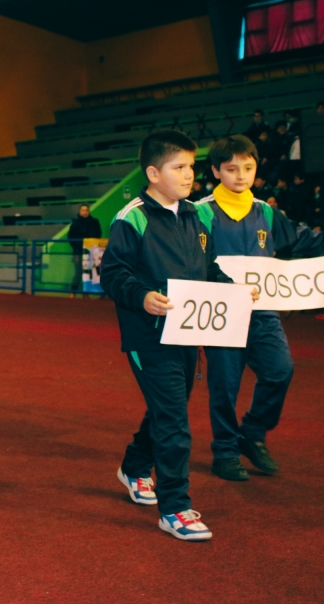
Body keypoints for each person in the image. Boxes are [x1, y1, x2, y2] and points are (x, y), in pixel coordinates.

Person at [100, 130, 240, 542]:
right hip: (148, 336)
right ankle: (175, 507)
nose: (189, 175)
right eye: (179, 167)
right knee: (175, 418)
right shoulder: (132, 218)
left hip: (187, 333)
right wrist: (142, 296)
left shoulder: (197, 215)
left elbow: (209, 268)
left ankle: (134, 467)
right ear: (153, 173)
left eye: (191, 167)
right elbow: (112, 273)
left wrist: (231, 289)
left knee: (168, 410)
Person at [196, 135, 323, 481]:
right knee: (225, 385)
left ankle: (251, 433)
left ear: (256, 168)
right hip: (221, 312)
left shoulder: (267, 212)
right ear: (215, 171)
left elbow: (303, 239)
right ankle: (224, 451)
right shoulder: (200, 213)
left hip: (263, 313)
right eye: (231, 168)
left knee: (280, 370)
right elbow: (192, 263)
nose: (241, 175)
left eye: (248, 168)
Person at [67, 203, 101, 296]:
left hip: (91, 252)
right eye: (83, 210)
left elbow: (98, 235)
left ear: (89, 211)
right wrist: (77, 247)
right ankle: (72, 293)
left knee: (89, 272)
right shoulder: (75, 223)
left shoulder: (94, 222)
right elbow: (70, 238)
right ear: (80, 211)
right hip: (78, 252)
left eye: (86, 210)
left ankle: (86, 294)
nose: (85, 212)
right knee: (78, 272)